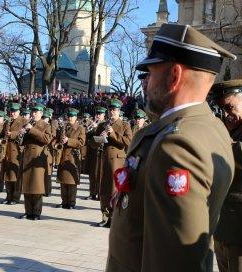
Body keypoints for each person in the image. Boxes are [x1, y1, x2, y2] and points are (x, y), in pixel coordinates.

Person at [107, 23, 236, 272]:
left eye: (152, 72)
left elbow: (176, 258)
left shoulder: (177, 145)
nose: (146, 83)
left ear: (175, 76)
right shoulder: (210, 126)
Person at [211, 79, 242, 272]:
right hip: (222, 227)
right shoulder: (228, 129)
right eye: (221, 109)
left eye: (230, 107)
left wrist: (222, 141)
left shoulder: (227, 135)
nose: (226, 115)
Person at [95, 99, 132, 228]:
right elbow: (93, 143)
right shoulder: (102, 125)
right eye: (110, 110)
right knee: (104, 189)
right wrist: (100, 137)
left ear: (119, 111)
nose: (112, 112)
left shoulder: (125, 125)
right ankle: (105, 217)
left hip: (117, 161)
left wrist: (112, 133)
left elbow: (127, 142)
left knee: (114, 189)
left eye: (114, 110)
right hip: (103, 159)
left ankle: (115, 218)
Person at [19, 102, 52, 220]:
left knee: (37, 187)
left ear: (41, 113)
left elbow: (47, 139)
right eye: (32, 111)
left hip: (38, 159)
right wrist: (21, 134)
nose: (33, 114)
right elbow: (21, 141)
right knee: (27, 187)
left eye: (36, 112)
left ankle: (36, 212)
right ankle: (28, 211)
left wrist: (32, 129)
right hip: (27, 157)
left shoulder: (46, 125)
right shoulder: (28, 124)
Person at [56, 108, 85, 209]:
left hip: (73, 156)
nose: (69, 118)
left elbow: (81, 142)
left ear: (76, 117)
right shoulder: (64, 127)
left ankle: (71, 202)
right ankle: (64, 201)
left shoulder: (80, 128)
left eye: (71, 116)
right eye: (68, 116)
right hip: (63, 155)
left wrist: (69, 140)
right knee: (63, 181)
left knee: (72, 181)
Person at [1, 103, 27, 205]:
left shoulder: (24, 121)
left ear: (19, 112)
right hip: (7, 150)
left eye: (15, 111)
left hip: (17, 151)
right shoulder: (8, 121)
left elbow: (24, 134)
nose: (12, 113)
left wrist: (13, 134)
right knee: (7, 175)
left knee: (16, 175)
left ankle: (15, 198)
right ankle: (8, 196)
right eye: (11, 111)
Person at [84, 106, 106, 201]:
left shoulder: (106, 124)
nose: (97, 116)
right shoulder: (93, 124)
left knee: (100, 174)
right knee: (92, 174)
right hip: (92, 152)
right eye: (97, 114)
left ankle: (99, 194)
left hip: (101, 152)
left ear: (104, 115)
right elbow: (86, 137)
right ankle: (92, 193)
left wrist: (96, 131)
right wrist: (91, 128)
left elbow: (103, 138)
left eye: (100, 114)